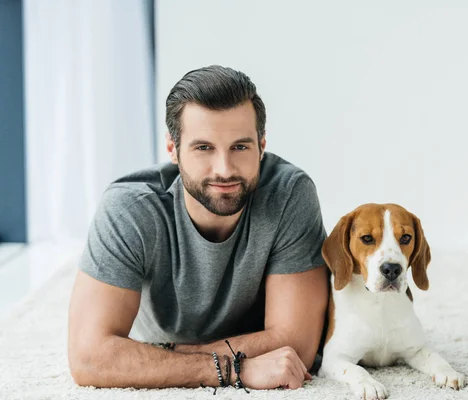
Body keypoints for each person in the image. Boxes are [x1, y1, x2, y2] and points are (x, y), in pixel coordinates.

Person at [67, 65, 329, 392]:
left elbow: (296, 345)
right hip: (239, 352)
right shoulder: (130, 210)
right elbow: (89, 358)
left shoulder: (288, 194)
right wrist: (233, 368)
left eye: (240, 147)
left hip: (169, 344)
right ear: (172, 149)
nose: (224, 169)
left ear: (262, 146)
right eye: (203, 148)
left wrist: (152, 358)